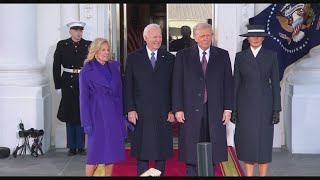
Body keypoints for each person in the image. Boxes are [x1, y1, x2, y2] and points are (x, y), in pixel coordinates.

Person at [172, 22, 233, 176]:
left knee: (213, 147)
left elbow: (228, 84)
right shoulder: (183, 56)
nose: (206, 38)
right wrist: (178, 109)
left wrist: (228, 108)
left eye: (209, 35)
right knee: (191, 148)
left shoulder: (223, 55)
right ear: (195, 37)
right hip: (190, 110)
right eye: (202, 36)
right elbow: (177, 84)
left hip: (215, 109)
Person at [123, 23, 175, 176]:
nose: (158, 40)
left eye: (160, 36)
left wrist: (173, 109)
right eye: (154, 37)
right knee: (142, 147)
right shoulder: (133, 58)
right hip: (140, 111)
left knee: (161, 147)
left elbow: (174, 86)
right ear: (145, 38)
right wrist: (130, 109)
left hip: (163, 110)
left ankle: (160, 174)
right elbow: (128, 86)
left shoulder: (169, 58)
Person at [231, 25, 281, 176]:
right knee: (248, 142)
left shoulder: (271, 55)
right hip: (244, 105)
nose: (255, 39)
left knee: (264, 142)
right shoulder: (240, 57)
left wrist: (276, 109)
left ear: (263, 38)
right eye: (252, 36)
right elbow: (236, 84)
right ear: (248, 38)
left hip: (265, 105)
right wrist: (234, 109)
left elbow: (276, 84)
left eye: (259, 36)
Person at [79, 38, 127, 176]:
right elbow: (83, 99)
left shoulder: (114, 67)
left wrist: (123, 116)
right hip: (96, 116)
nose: (106, 53)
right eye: (103, 50)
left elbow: (120, 93)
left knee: (111, 154)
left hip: (113, 115)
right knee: (94, 156)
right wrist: (86, 122)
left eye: (108, 50)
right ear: (95, 52)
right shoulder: (86, 71)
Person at [53, 21, 92, 156]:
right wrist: (58, 85)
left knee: (82, 114)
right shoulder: (63, 45)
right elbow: (56, 66)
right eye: (75, 30)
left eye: (80, 30)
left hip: (83, 81)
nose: (78, 33)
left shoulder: (88, 44)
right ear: (70, 31)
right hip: (67, 82)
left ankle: (81, 146)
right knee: (70, 115)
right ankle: (72, 147)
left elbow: (92, 65)